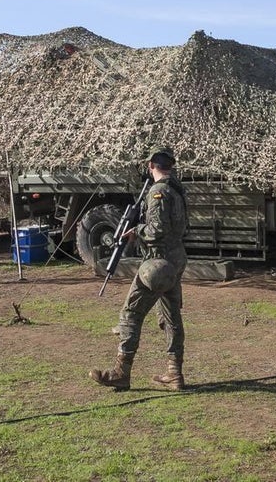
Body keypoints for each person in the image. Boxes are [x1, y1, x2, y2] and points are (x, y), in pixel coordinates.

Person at [90, 146, 189, 391]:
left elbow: (156, 229)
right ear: (171, 165)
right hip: (176, 260)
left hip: (157, 263)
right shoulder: (178, 190)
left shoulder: (158, 192)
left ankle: (121, 373)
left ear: (150, 165)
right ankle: (174, 374)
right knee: (171, 317)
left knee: (131, 314)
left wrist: (137, 231)